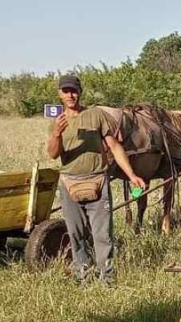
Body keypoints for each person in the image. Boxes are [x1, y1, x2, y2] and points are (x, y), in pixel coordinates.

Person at [47, 74, 146, 285]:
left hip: (98, 182)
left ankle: (107, 280)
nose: (70, 95)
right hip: (70, 184)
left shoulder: (96, 115)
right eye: (66, 91)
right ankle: (82, 277)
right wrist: (56, 133)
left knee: (103, 235)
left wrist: (132, 175)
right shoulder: (58, 121)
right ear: (60, 94)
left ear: (80, 92)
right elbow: (53, 154)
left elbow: (114, 146)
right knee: (76, 234)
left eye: (73, 90)